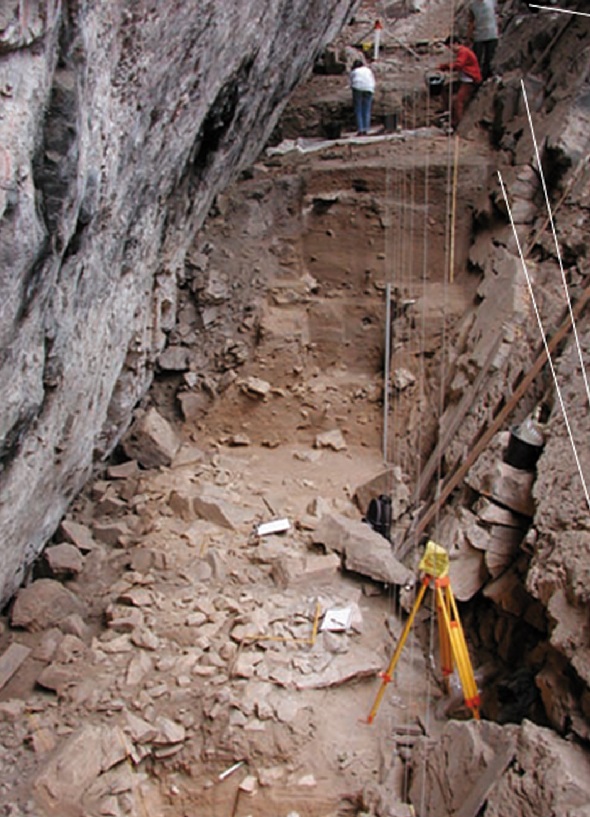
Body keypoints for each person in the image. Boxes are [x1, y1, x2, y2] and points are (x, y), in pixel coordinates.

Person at [437, 38, 482, 131]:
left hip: (470, 80)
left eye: (450, 46)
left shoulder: (463, 52)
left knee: (458, 101)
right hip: (464, 79)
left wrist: (445, 66)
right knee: (446, 89)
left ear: (456, 43)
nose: (451, 49)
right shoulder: (462, 52)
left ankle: (458, 124)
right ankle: (448, 112)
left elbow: (459, 65)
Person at [468, 0, 499, 81]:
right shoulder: (472, 5)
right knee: (476, 58)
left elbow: (496, 12)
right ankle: (476, 78)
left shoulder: (491, 1)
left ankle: (486, 77)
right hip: (479, 34)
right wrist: (469, 36)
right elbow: (471, 21)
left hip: (491, 33)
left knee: (489, 58)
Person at [350, 58, 375, 135]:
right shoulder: (368, 70)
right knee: (367, 109)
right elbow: (372, 79)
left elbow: (351, 82)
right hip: (369, 88)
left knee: (358, 109)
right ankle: (366, 129)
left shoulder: (354, 71)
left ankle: (360, 129)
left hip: (357, 88)